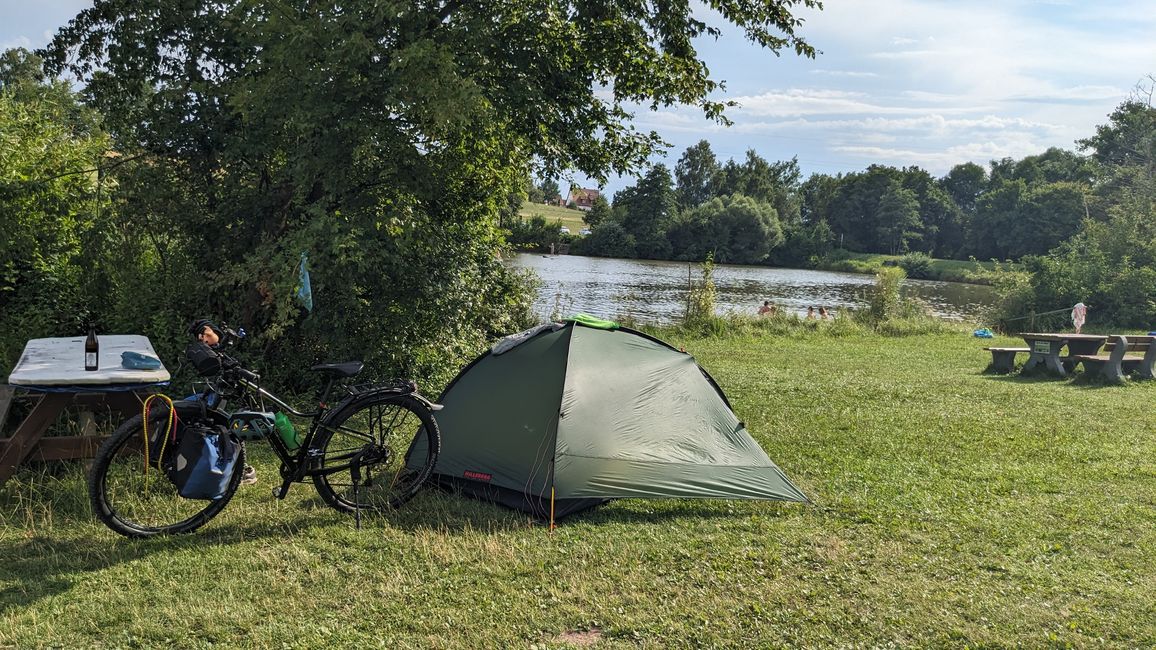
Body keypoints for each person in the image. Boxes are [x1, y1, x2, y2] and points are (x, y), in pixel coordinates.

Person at [190, 319, 258, 486]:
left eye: (206, 335)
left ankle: (238, 468)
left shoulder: (222, 351)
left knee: (227, 424)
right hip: (214, 391)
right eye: (200, 337)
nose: (203, 340)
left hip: (222, 389)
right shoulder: (210, 353)